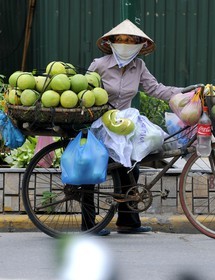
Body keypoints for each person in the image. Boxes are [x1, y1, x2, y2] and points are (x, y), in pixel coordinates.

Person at [86, 19, 185, 235]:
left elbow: (155, 89)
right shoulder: (99, 65)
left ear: (139, 45)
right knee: (95, 168)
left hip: (124, 125)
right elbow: (85, 93)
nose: (125, 44)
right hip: (101, 124)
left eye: (131, 41)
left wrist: (183, 92)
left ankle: (128, 222)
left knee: (131, 167)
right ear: (111, 43)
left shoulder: (138, 66)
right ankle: (89, 224)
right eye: (121, 40)